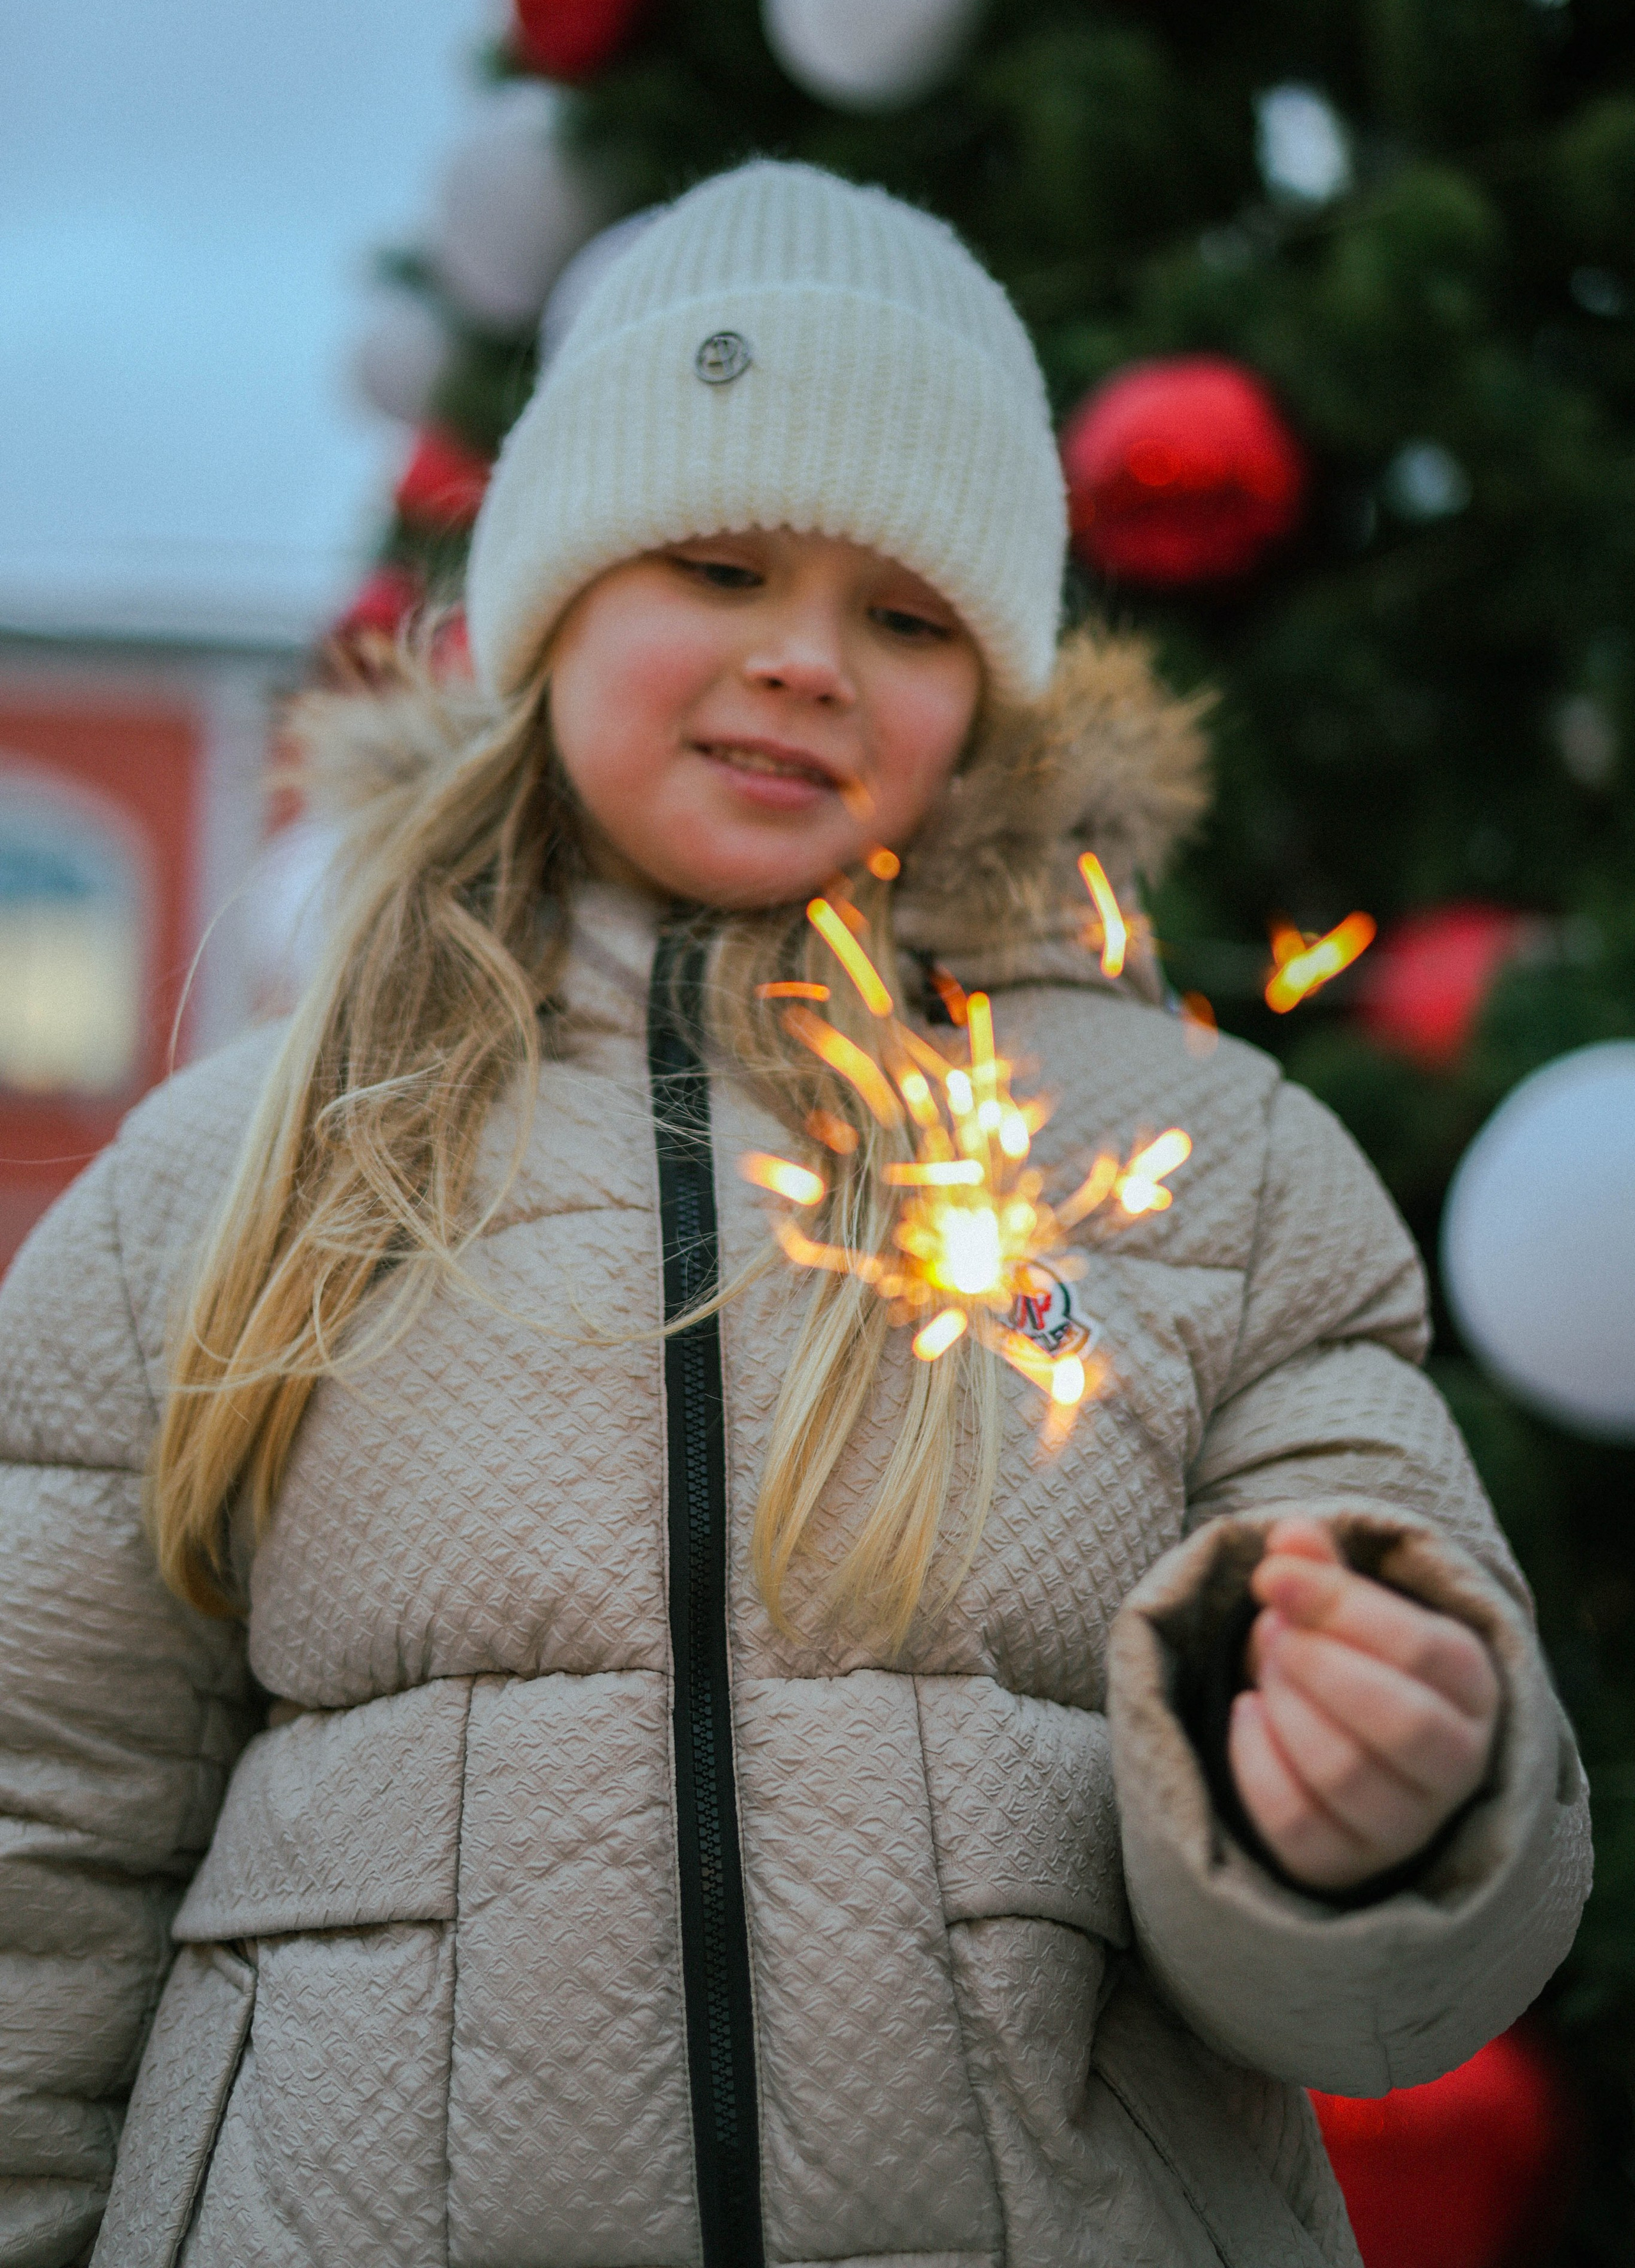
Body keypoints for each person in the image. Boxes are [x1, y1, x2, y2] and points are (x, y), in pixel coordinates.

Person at [0, 163, 1589, 2268]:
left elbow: (1417, 1930)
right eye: (722, 563)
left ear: (994, 688)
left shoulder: (1208, 1167)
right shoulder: (243, 1173)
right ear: (558, 598)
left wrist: (1384, 1805)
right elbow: (41, 1835)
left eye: (909, 617)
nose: (807, 662)